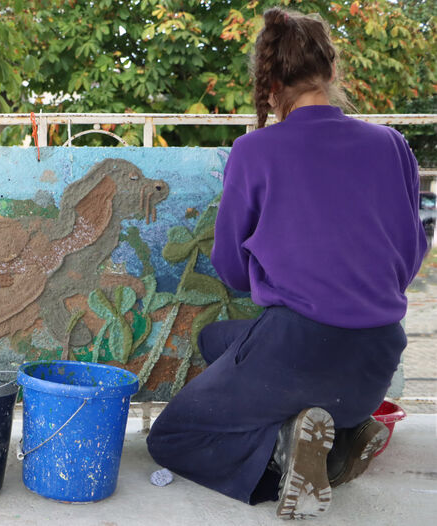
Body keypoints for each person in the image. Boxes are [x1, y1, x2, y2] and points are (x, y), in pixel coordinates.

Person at [146, 7, 428, 520]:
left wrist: (273, 269)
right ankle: (339, 438)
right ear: (333, 71)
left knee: (174, 437)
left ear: (270, 83)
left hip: (296, 352)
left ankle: (286, 449)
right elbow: (409, 258)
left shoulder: (255, 150)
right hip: (373, 366)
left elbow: (230, 268)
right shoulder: (393, 145)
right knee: (217, 342)